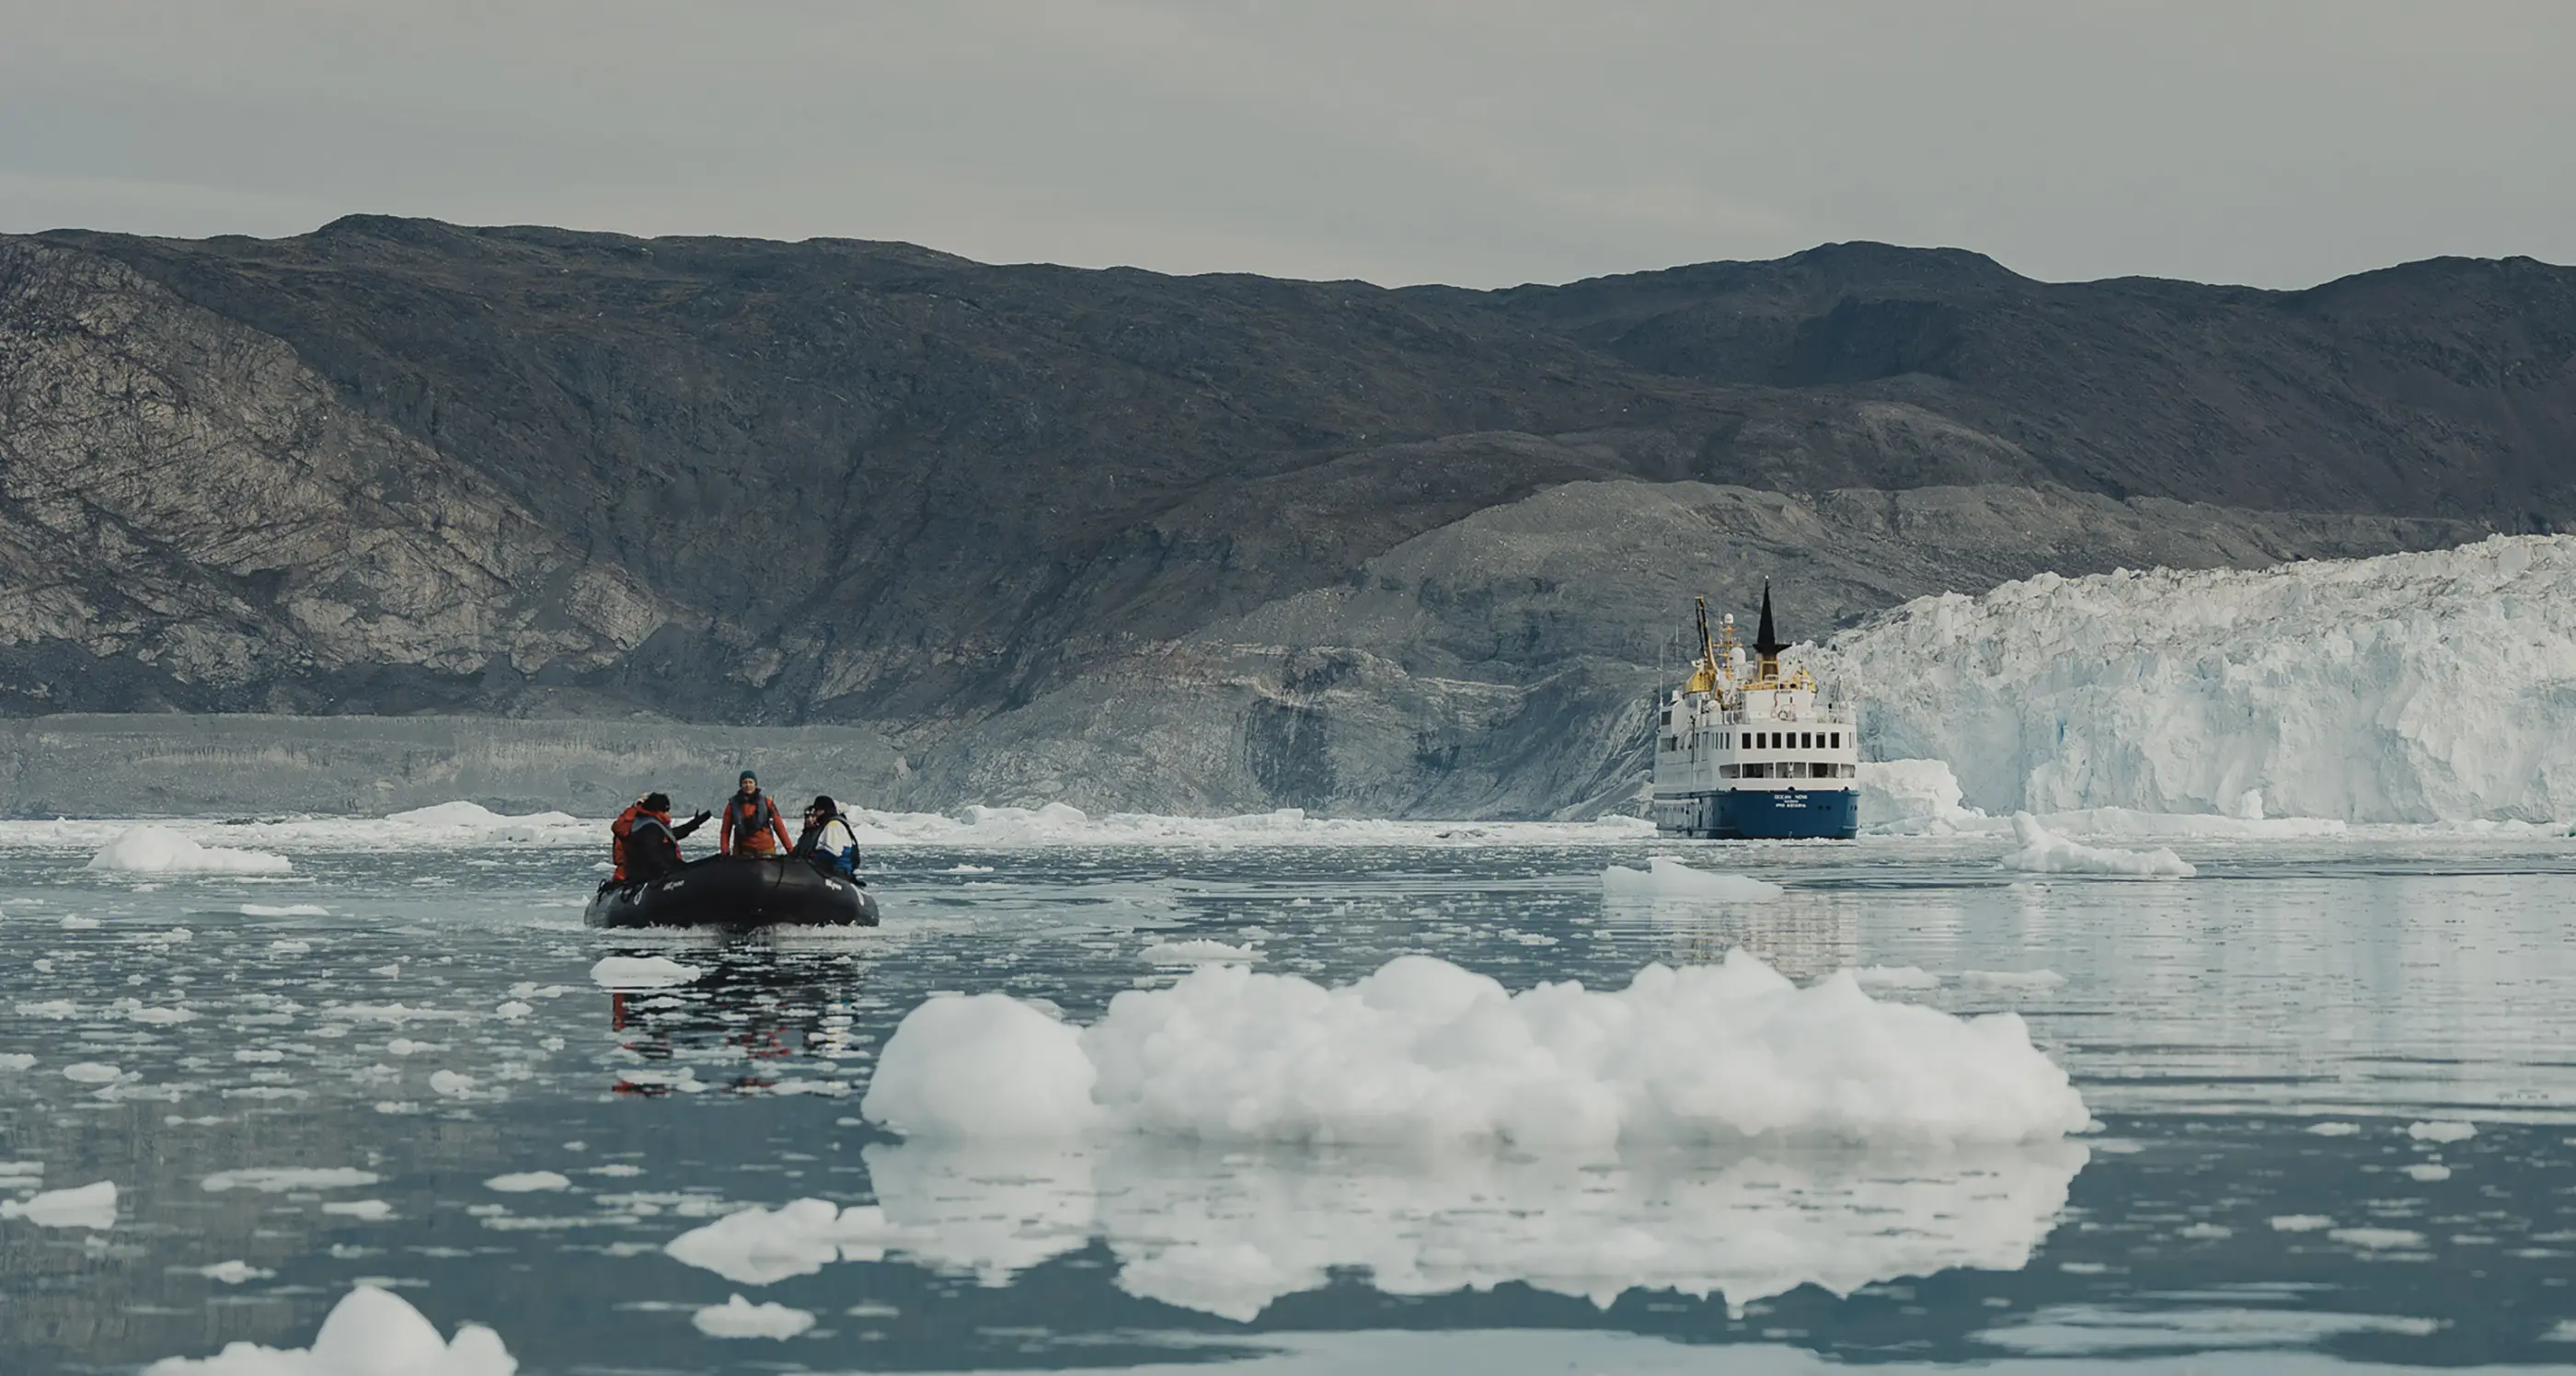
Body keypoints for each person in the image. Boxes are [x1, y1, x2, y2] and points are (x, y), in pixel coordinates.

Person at [615, 792, 709, 884]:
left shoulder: (645, 823)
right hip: (649, 876)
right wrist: (670, 869)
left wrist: (695, 823)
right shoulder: (650, 827)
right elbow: (652, 852)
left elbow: (672, 834)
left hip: (640, 875)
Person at [719, 771, 793, 857]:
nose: (748, 785)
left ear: (755, 784)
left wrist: (790, 850)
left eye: (750, 782)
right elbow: (725, 831)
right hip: (743, 853)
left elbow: (780, 828)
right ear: (740, 785)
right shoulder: (732, 805)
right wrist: (725, 850)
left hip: (766, 851)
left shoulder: (767, 803)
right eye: (745, 782)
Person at [792, 795, 861, 878]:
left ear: (822, 811)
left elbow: (833, 852)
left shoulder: (833, 826)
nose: (815, 814)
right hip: (820, 870)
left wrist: (810, 858)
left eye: (817, 810)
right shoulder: (820, 828)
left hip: (836, 873)